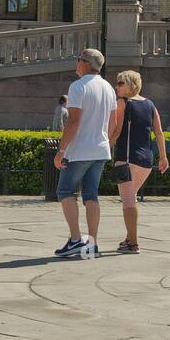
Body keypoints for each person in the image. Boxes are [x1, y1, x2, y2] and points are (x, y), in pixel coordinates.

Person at [53, 48, 117, 258]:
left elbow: (73, 122)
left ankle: (74, 240)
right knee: (91, 195)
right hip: (101, 148)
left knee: (65, 191)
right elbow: (113, 123)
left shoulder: (78, 87)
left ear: (86, 63)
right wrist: (103, 140)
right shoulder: (108, 87)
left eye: (78, 59)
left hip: (80, 150)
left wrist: (61, 150)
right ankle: (92, 243)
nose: (76, 63)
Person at [110, 71, 169, 252]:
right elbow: (158, 132)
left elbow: (117, 131)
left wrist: (104, 148)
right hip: (146, 161)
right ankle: (129, 238)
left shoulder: (123, 103)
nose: (117, 86)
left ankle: (133, 243)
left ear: (130, 85)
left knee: (127, 201)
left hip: (126, 159)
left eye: (120, 83)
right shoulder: (150, 104)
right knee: (131, 198)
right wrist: (163, 157)